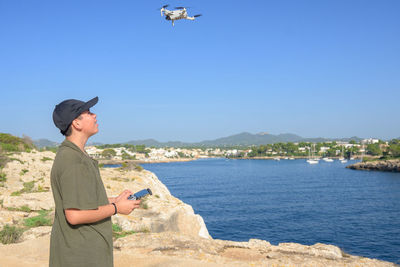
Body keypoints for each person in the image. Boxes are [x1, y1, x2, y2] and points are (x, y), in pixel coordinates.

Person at [49, 96, 141, 267]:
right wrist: (116, 208)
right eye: (89, 112)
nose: (95, 115)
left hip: (85, 252)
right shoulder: (73, 161)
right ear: (76, 123)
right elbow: (74, 215)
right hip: (81, 256)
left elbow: (82, 202)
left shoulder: (76, 155)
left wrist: (115, 200)